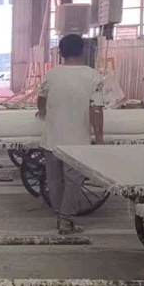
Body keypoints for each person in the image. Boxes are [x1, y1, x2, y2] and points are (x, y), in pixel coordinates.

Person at [36, 34, 105, 235]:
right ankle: (65, 220)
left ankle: (60, 215)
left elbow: (41, 100)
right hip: (77, 141)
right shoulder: (92, 76)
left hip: (52, 138)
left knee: (54, 180)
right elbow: (96, 110)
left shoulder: (52, 75)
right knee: (73, 181)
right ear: (83, 50)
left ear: (60, 52)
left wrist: (43, 113)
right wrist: (99, 137)